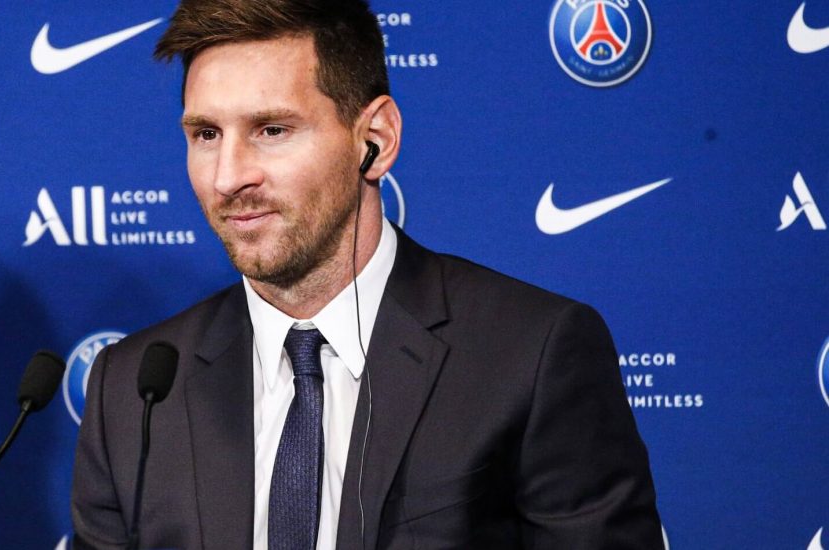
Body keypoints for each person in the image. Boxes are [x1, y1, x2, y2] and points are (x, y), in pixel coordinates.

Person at [71, 0, 663, 548]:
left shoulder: (532, 354)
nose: (228, 177)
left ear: (375, 140)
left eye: (271, 130)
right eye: (206, 135)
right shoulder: (131, 390)